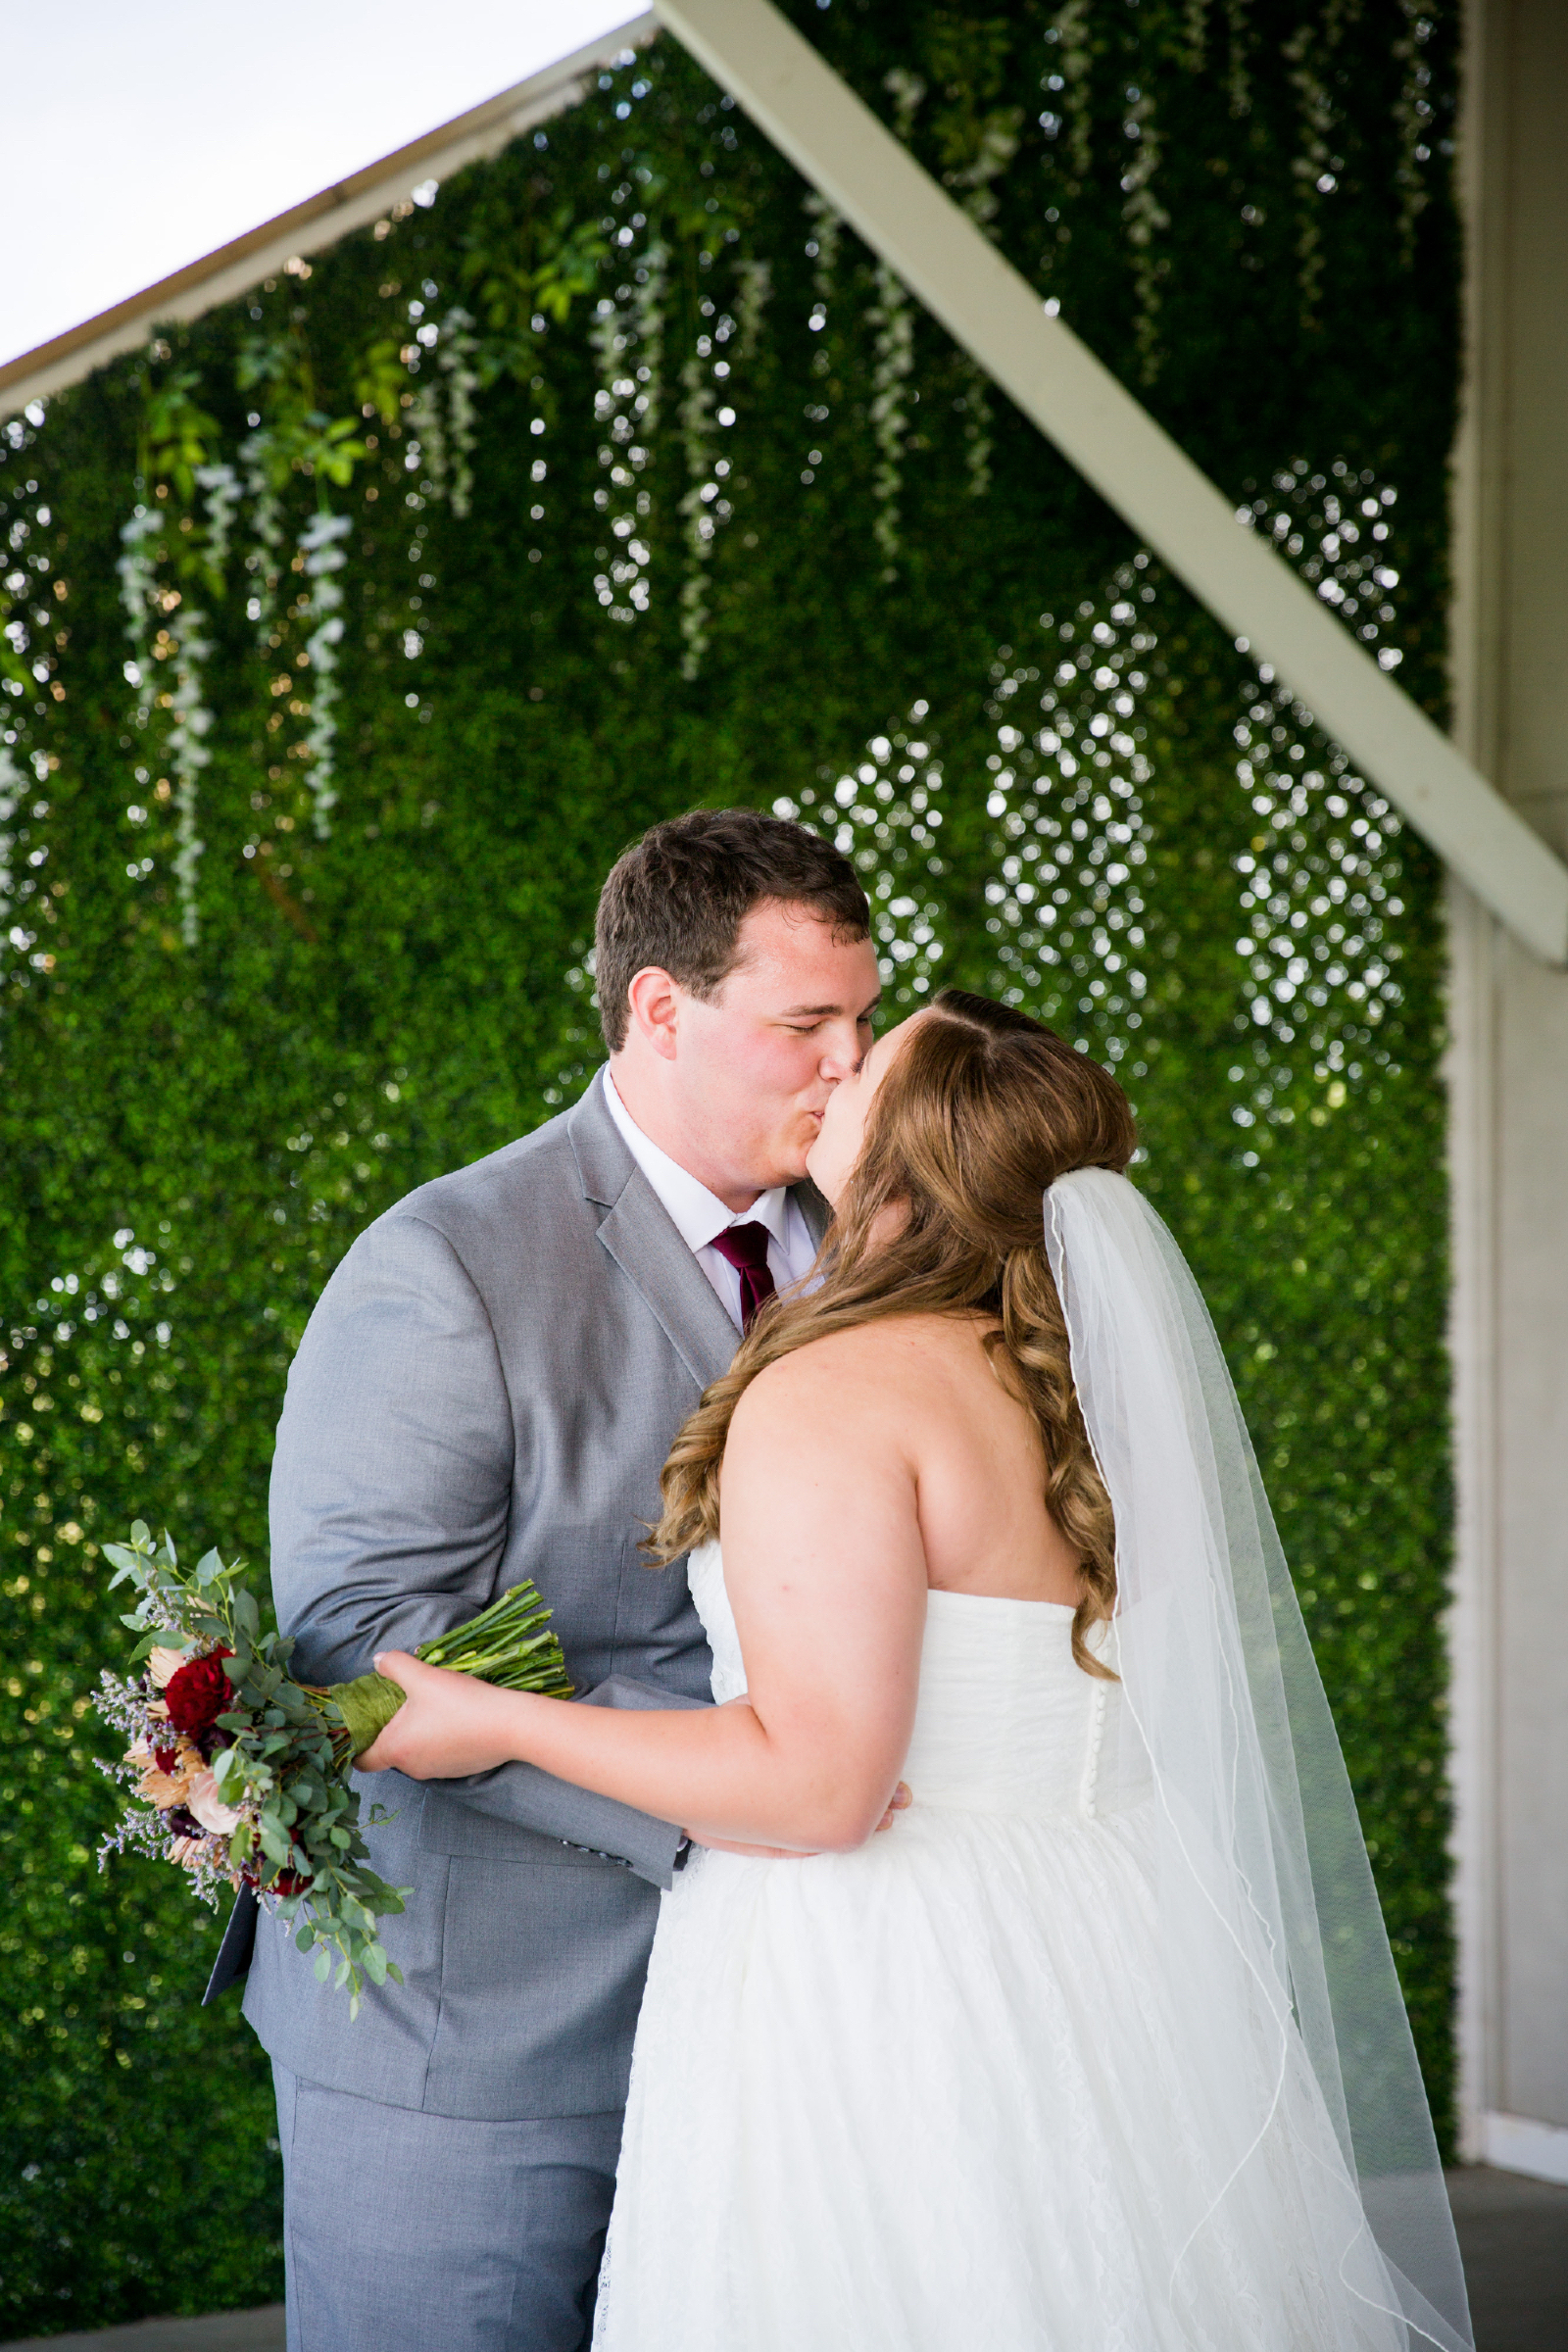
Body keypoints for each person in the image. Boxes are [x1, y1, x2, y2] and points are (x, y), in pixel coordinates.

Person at [367, 989, 1477, 2352]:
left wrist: (491, 1719)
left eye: (871, 1065)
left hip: (887, 1976)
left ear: (905, 1162)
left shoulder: (834, 1394)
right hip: (1110, 1932)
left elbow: (824, 1786)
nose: (835, 1076)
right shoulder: (1079, 1388)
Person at [234, 808, 883, 2352]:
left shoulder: (872, 1246)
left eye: (863, 1021)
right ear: (661, 1010)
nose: (853, 1066)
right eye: (808, 1026)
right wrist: (772, 1760)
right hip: (473, 2040)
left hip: (780, 2024)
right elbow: (364, 1646)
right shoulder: (446, 1264)